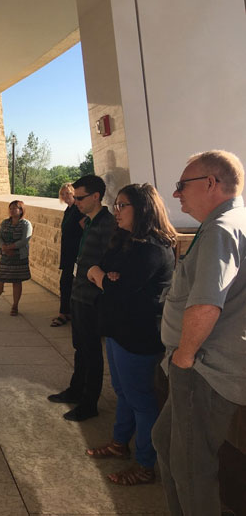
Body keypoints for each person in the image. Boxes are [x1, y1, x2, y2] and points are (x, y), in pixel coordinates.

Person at [152, 150, 246, 515]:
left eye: (182, 186)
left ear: (211, 183)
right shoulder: (232, 222)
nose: (176, 194)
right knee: (164, 439)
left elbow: (206, 304)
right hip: (203, 365)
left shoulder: (221, 230)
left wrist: (184, 357)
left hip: (203, 369)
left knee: (191, 469)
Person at [84, 183, 176, 486]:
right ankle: (119, 443)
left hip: (137, 335)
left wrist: (103, 278)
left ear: (143, 208)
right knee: (124, 393)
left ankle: (145, 464)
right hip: (117, 329)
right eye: (116, 205)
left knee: (141, 401)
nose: (116, 211)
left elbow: (117, 287)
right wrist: (105, 276)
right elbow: (104, 269)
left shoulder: (153, 247)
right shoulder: (128, 240)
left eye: (123, 205)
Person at [47, 174, 115, 421]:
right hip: (79, 294)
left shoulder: (108, 224)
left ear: (96, 197)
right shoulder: (89, 221)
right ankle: (76, 390)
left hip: (92, 298)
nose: (75, 202)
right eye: (74, 197)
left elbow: (110, 262)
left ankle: (89, 404)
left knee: (91, 351)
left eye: (80, 197)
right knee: (80, 348)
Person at [0, 200, 32, 315]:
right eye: (10, 208)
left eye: (15, 208)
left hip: (19, 257)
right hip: (6, 256)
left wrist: (11, 247)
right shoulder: (5, 223)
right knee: (0, 280)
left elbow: (25, 240)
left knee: (16, 281)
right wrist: (4, 247)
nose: (12, 210)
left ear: (21, 210)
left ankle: (15, 306)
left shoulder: (26, 224)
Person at [51, 183, 84, 327]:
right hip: (68, 252)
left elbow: (85, 230)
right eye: (62, 194)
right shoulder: (68, 210)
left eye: (67, 193)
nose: (65, 196)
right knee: (66, 283)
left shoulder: (78, 210)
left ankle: (63, 313)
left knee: (66, 283)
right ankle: (68, 312)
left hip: (75, 253)